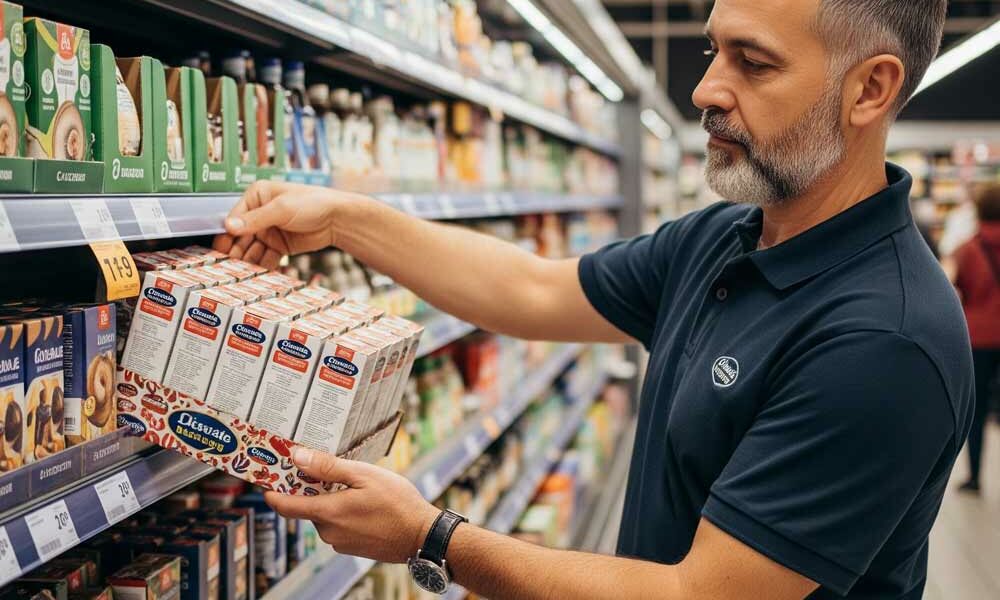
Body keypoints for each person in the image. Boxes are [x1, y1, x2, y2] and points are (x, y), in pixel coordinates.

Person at [214, 1, 973, 598]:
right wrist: (343, 217)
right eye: (715, 49)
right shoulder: (721, 238)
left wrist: (431, 536)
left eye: (755, 63)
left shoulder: (883, 340)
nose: (706, 88)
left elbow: (697, 597)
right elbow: (529, 287)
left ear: (869, 89)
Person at [954, 183, 1000, 494]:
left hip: (979, 338)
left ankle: (975, 477)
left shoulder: (968, 249)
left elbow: (962, 290)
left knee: (977, 410)